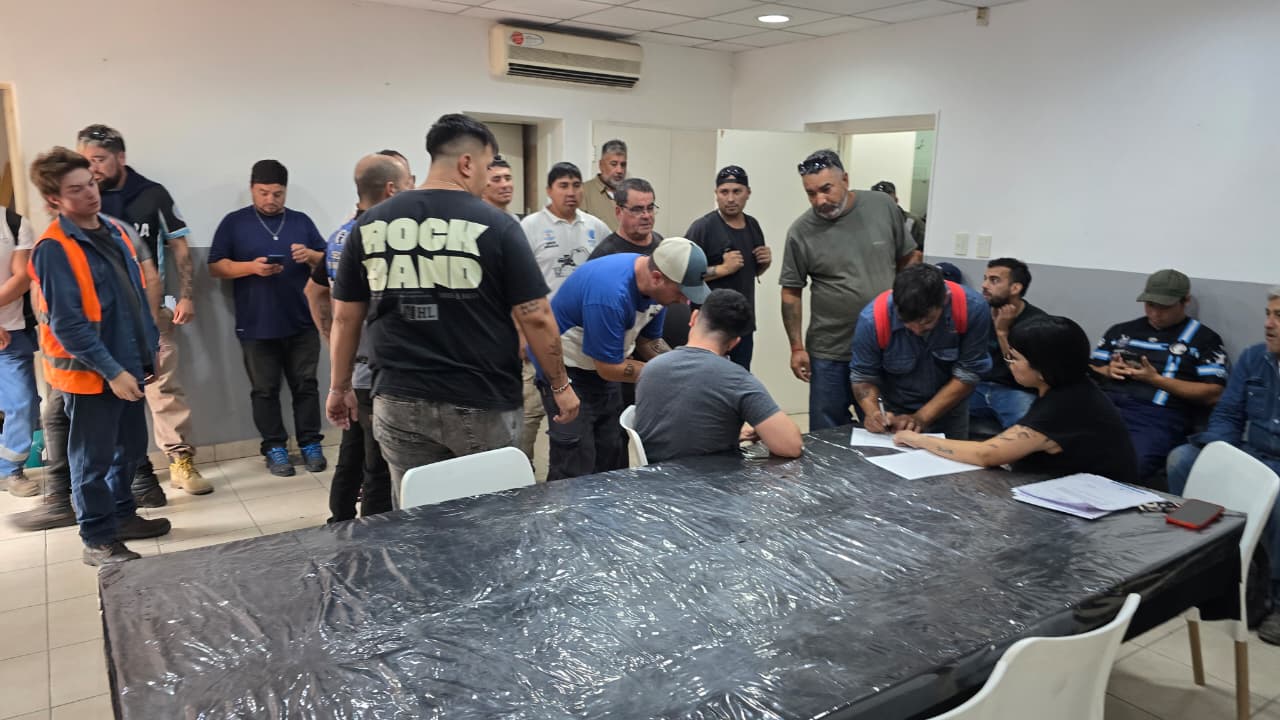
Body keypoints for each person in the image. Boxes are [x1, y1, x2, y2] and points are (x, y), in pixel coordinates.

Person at [328, 114, 579, 502]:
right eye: (487, 167)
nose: (488, 179)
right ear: (466, 163)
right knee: (492, 515)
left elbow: (345, 317)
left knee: (419, 514)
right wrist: (560, 385)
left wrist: (339, 386)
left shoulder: (372, 223)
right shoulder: (497, 225)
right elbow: (536, 315)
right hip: (481, 397)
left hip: (398, 398)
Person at [27, 147, 171, 565]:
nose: (90, 193)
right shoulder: (54, 248)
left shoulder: (114, 230)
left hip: (129, 364)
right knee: (92, 459)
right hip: (90, 374)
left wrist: (148, 353)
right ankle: (97, 539)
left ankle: (123, 517)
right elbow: (68, 324)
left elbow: (133, 301)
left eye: (90, 183)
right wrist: (112, 371)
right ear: (54, 199)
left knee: (130, 448)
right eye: (76, 189)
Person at [76, 124, 212, 503]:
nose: (93, 169)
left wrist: (186, 296)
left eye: (99, 160)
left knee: (163, 388)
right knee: (112, 395)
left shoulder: (151, 194)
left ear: (120, 157)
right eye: (86, 161)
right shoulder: (83, 200)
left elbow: (180, 246)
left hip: (151, 314)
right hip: (100, 320)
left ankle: (181, 461)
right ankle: (131, 473)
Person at [895, 315, 1140, 484]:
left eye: (1014, 358)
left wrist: (919, 439)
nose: (1009, 364)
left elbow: (987, 454)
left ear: (1043, 367)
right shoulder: (1072, 387)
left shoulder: (1066, 405)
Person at [1166, 288, 1280, 645]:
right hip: (1252, 453)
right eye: (1268, 314)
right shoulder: (1254, 357)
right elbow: (1228, 414)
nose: (1268, 324)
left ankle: (1275, 595)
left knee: (1277, 494)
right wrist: (1219, 455)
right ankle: (1198, 562)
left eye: (1279, 317)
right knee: (1184, 460)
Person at [543, 238, 710, 480]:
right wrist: (667, 374)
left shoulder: (656, 288)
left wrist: (682, 365)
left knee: (612, 454)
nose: (685, 301)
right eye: (681, 292)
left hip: (604, 366)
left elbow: (648, 341)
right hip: (567, 371)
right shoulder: (610, 293)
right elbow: (608, 368)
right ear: (657, 278)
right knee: (576, 464)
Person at [781, 149, 920, 431]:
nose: (820, 200)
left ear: (845, 179)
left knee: (885, 425)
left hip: (885, 344)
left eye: (826, 189)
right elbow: (791, 292)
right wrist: (796, 347)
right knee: (827, 431)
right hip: (830, 349)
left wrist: (904, 313)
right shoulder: (801, 231)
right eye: (811, 193)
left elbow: (909, 259)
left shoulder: (881, 206)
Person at [305, 154, 410, 522]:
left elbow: (313, 292)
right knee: (377, 463)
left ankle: (340, 520)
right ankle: (373, 537)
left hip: (352, 368)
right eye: (408, 184)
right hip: (379, 371)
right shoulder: (380, 238)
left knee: (352, 451)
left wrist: (334, 343)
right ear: (391, 189)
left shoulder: (339, 236)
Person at [208, 160, 328, 477]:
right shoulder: (234, 223)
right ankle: (274, 447)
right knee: (264, 390)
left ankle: (310, 443)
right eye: (263, 193)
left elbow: (328, 260)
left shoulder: (301, 221)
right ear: (252, 189)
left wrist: (311, 256)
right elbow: (215, 266)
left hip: (302, 321)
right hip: (256, 324)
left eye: (277, 194)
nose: (270, 199)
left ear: (285, 191)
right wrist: (251, 268)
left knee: (306, 386)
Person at [1089, 269, 1227, 484]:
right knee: (1062, 448)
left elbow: (1213, 393)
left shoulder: (1204, 339)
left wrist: (1156, 380)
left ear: (1185, 301)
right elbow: (1089, 369)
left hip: (1157, 415)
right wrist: (1107, 371)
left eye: (1164, 307)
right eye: (1150, 305)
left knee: (1127, 467)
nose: (1155, 313)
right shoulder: (1121, 331)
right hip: (1106, 405)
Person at [636, 289, 801, 463]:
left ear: (693, 318)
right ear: (734, 342)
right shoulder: (736, 379)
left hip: (653, 476)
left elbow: (675, 430)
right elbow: (791, 446)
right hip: (710, 478)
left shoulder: (650, 369)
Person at [517, 161, 609, 461]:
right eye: (563, 186)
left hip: (582, 338)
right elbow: (514, 285)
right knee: (530, 413)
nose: (571, 192)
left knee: (577, 420)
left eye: (576, 185)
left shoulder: (595, 227)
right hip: (539, 333)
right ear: (549, 190)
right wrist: (520, 333)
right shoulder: (530, 227)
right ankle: (520, 471)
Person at [850, 263, 992, 439]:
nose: (917, 330)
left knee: (951, 455)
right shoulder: (872, 320)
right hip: (893, 409)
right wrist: (873, 413)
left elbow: (969, 372)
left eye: (927, 321)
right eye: (907, 322)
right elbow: (863, 375)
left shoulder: (972, 309)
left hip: (949, 408)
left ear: (945, 299)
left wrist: (921, 418)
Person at [685, 165, 772, 370]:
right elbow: (683, 274)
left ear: (748, 193)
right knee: (706, 377)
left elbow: (750, 271)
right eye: (724, 192)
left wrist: (764, 264)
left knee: (738, 378)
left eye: (737, 191)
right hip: (709, 325)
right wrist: (721, 269)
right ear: (716, 194)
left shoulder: (753, 225)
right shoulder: (703, 227)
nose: (730, 198)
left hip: (742, 323)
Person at [969, 258, 1047, 431]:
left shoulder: (1036, 323)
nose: (984, 285)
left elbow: (1024, 376)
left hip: (1015, 390)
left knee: (1029, 430)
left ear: (1015, 288)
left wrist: (1002, 333)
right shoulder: (978, 311)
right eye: (985, 278)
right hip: (977, 386)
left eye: (994, 280)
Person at [0, 205, 37, 497]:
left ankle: (9, 470)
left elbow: (23, 276)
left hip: (10, 335)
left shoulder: (13, 223)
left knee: (23, 403)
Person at [588, 178, 663, 260]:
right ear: (619, 212)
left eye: (650, 208)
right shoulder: (604, 255)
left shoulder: (660, 243)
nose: (646, 216)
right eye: (637, 210)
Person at [581, 139, 627, 232]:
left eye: (623, 165)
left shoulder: (630, 192)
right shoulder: (583, 192)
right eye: (614, 164)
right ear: (601, 165)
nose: (620, 170)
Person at [871, 180, 926, 252]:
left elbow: (925, 251)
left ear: (896, 200)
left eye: (887, 200)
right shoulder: (869, 222)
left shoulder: (912, 221)